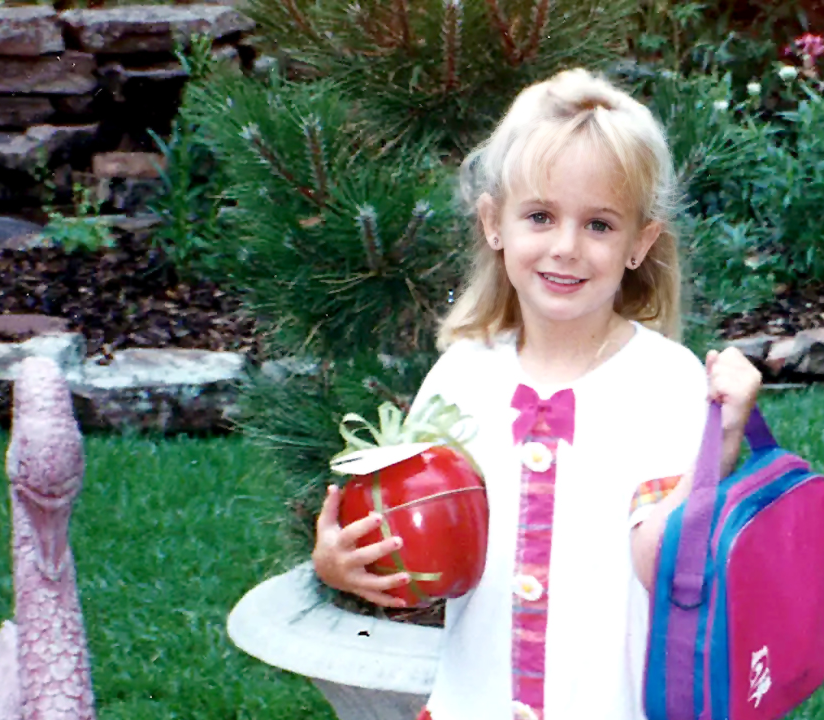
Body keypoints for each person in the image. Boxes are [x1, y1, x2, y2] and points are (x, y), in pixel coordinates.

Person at [312, 68, 762, 720]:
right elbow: (423, 548)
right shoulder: (461, 377)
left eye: (599, 224)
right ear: (494, 222)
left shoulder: (666, 382)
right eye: (541, 216)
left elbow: (660, 566)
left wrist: (720, 443)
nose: (566, 247)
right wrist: (348, 561)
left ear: (640, 243)